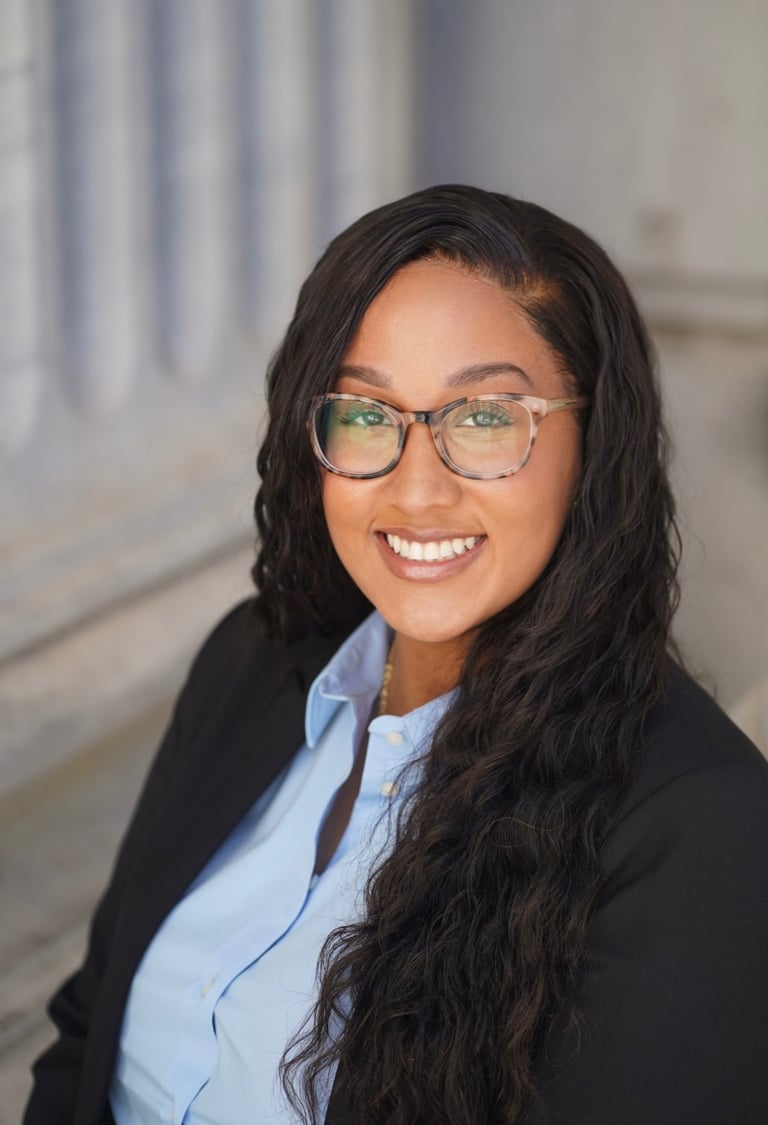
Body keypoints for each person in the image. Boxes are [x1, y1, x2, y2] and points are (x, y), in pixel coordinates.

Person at [25, 185, 768, 1125]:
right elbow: (89, 1029)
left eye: (487, 418)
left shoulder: (701, 831)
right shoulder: (250, 663)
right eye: (369, 415)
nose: (417, 491)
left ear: (595, 442)